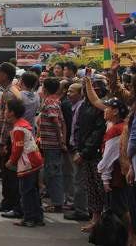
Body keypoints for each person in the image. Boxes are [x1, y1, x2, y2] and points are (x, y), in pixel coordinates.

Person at [0, 62, 22, 217]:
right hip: (9, 136)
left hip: (9, 138)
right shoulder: (9, 91)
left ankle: (12, 204)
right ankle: (7, 202)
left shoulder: (10, 93)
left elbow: (8, 121)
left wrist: (2, 142)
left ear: (6, 75)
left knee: (9, 174)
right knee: (7, 173)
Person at [74, 76, 108, 232]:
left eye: (95, 88)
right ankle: (95, 219)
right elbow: (79, 129)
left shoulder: (104, 107)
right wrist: (78, 150)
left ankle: (107, 221)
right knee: (91, 188)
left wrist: (85, 152)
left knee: (101, 188)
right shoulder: (84, 105)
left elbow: (98, 133)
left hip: (97, 155)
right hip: (85, 152)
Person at [5, 97, 45, 228]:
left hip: (27, 162)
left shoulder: (18, 129)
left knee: (26, 191)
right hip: (35, 159)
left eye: (6, 109)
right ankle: (38, 217)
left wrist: (11, 161)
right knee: (32, 191)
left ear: (11, 112)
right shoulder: (24, 124)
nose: (5, 112)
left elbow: (17, 148)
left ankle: (28, 218)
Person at [37, 77, 67, 213]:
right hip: (51, 143)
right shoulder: (54, 100)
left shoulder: (50, 101)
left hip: (52, 144)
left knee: (54, 173)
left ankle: (57, 203)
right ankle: (56, 201)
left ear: (46, 88)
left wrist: (61, 141)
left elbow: (56, 121)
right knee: (52, 172)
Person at [64, 82, 90, 221]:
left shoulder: (83, 107)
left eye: (72, 91)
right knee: (77, 179)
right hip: (76, 147)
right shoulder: (75, 106)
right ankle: (79, 207)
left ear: (81, 94)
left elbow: (82, 131)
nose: (68, 94)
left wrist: (80, 151)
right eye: (68, 91)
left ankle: (81, 211)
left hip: (81, 149)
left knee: (79, 181)